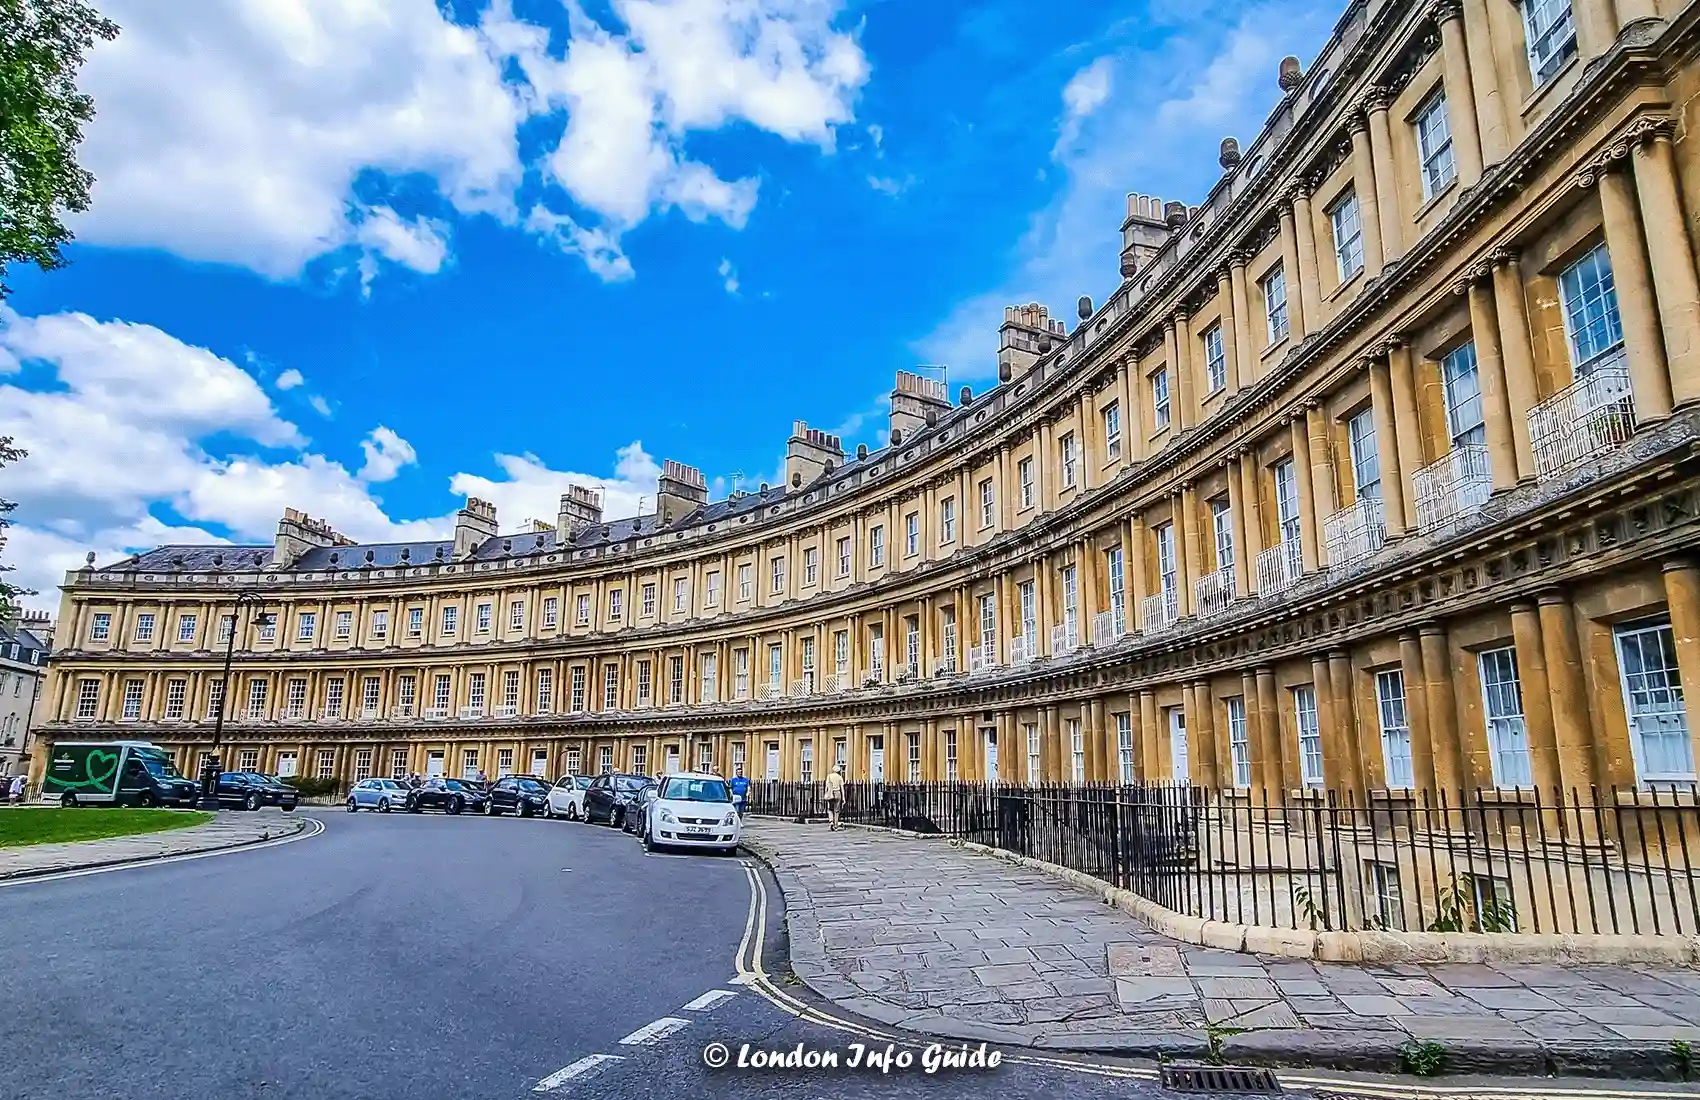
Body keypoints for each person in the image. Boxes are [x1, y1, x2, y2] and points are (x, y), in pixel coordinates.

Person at [823, 762, 846, 831]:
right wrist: (843, 798)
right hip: (837, 793)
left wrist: (826, 793)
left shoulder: (829, 776)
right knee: (836, 810)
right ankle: (836, 826)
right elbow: (842, 788)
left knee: (830, 809)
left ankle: (831, 821)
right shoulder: (840, 777)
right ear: (839, 771)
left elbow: (827, 786)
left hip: (831, 793)